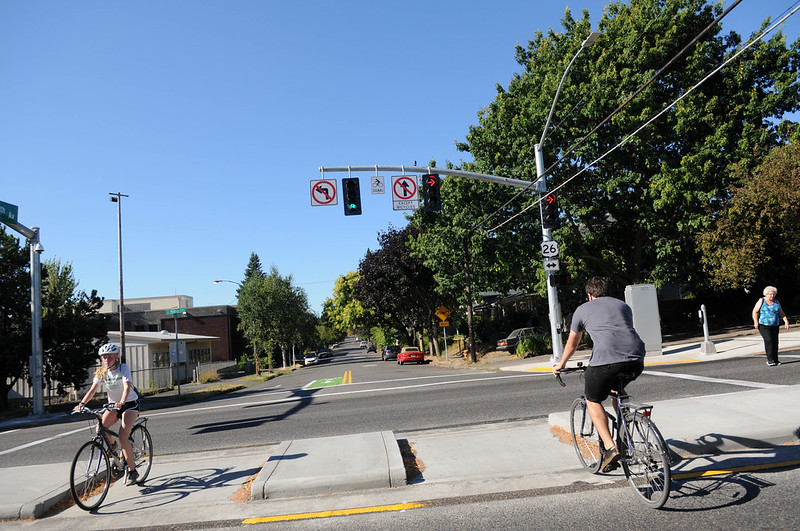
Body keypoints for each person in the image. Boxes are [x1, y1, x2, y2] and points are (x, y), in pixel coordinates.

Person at [553, 277, 646, 473]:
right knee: (616, 389)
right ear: (607, 291)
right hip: (637, 358)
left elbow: (572, 343)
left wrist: (560, 365)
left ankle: (611, 448)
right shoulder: (623, 306)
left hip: (605, 360)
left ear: (589, 295)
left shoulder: (582, 310)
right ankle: (625, 427)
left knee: (592, 399)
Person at [73, 343, 141, 486]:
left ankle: (132, 470)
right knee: (100, 429)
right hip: (113, 405)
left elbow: (127, 386)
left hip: (129, 404)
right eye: (104, 358)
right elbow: (92, 390)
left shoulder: (123, 368)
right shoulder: (101, 372)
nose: (106, 360)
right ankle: (113, 446)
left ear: (116, 357)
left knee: (123, 436)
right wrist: (82, 404)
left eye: (109, 357)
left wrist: (122, 401)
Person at [752, 286, 790, 366]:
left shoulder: (776, 302)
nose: (771, 296)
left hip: (775, 325)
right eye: (770, 294)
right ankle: (770, 360)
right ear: (766, 294)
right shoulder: (761, 300)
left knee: (775, 342)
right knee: (769, 341)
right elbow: (755, 311)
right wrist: (756, 322)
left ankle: (775, 360)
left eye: (773, 294)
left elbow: (781, 312)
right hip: (764, 325)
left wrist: (786, 321)